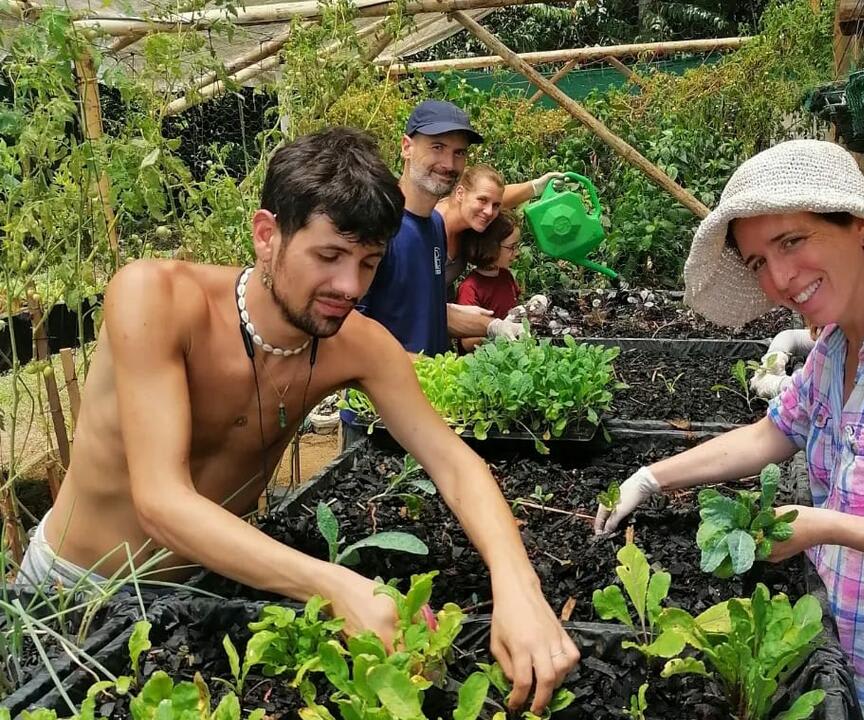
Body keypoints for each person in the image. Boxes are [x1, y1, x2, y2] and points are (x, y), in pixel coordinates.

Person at [15, 127, 578, 713]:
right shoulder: (154, 298)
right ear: (267, 235)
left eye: (368, 263)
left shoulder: (358, 344)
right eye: (329, 256)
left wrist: (518, 585)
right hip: (69, 596)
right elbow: (160, 500)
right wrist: (334, 584)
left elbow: (455, 464)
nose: (349, 287)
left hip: (205, 591)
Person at [593, 139, 864, 719]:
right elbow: (770, 434)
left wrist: (827, 527)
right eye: (757, 263)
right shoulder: (836, 346)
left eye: (791, 241)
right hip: (846, 673)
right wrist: (648, 478)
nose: (780, 278)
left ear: (859, 226)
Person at [359, 102, 523, 357]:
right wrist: (410, 371)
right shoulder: (376, 223)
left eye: (459, 153)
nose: (449, 163)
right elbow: (348, 329)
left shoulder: (435, 225)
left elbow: (429, 313)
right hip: (382, 393)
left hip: (434, 388)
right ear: (407, 147)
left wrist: (493, 326)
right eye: (437, 147)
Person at [437, 163, 562, 290]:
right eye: (482, 200)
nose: (489, 212)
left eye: (496, 205)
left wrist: (536, 187)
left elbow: (495, 196)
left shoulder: (470, 217)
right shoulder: (428, 227)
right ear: (460, 193)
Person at [454, 211, 548, 352]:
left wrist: (530, 309)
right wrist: (497, 328)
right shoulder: (470, 288)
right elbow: (467, 342)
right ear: (490, 246)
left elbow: (512, 309)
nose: (517, 253)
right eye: (511, 247)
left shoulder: (505, 275)